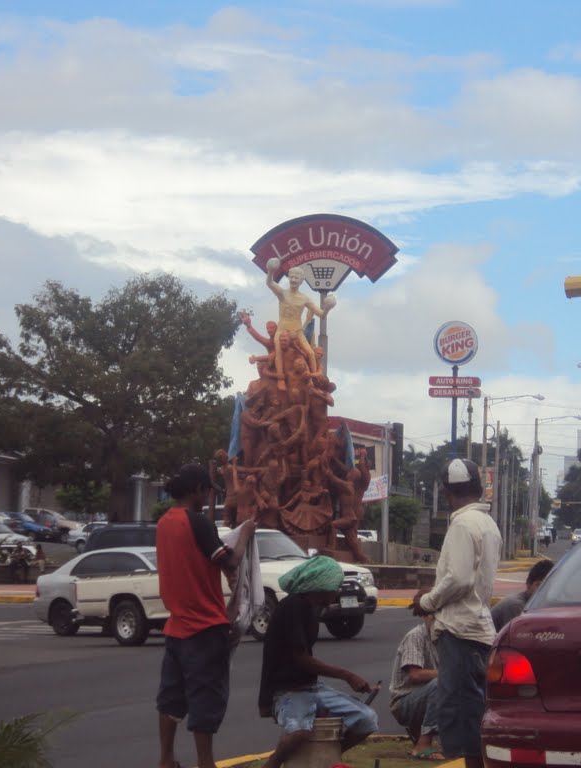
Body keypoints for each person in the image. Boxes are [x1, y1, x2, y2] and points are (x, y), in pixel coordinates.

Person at [155, 463, 256, 768]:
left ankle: (166, 759)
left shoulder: (163, 523)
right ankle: (205, 763)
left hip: (176, 626)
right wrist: (246, 533)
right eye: (208, 490)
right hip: (205, 627)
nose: (208, 496)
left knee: (171, 698)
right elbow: (231, 562)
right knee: (206, 699)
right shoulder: (197, 522)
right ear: (198, 490)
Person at [411, 458, 501, 768]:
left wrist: (427, 601)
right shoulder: (488, 524)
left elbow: (459, 579)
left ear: (447, 491)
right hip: (478, 626)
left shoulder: (463, 524)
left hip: (460, 630)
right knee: (473, 708)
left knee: (459, 711)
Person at [259, 556, 378, 768]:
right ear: (323, 585)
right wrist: (347, 675)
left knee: (366, 719)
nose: (337, 591)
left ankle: (326, 757)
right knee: (300, 732)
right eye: (335, 586)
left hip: (310, 687)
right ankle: (272, 764)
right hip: (287, 690)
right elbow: (301, 659)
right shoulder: (293, 606)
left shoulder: (310, 609)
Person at [265, 258, 336, 387]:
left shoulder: (304, 298)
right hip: (282, 330)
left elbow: (321, 315)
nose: (293, 280)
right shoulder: (282, 293)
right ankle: (281, 379)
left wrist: (328, 308)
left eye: (296, 278)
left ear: (301, 281)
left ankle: (314, 380)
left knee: (310, 352)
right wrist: (270, 271)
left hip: (297, 331)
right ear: (288, 278)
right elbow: (270, 283)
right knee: (278, 350)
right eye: (291, 277)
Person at [389, 613, 442, 759]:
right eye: (434, 614)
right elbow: (415, 674)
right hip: (404, 702)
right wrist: (447, 673)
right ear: (425, 616)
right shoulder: (416, 636)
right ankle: (423, 744)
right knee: (442, 683)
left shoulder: (444, 637)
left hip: (425, 696)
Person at [491, 558, 554, 631]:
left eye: (547, 586)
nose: (543, 591)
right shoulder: (516, 606)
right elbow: (515, 637)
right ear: (528, 584)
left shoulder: (534, 604)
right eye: (539, 585)